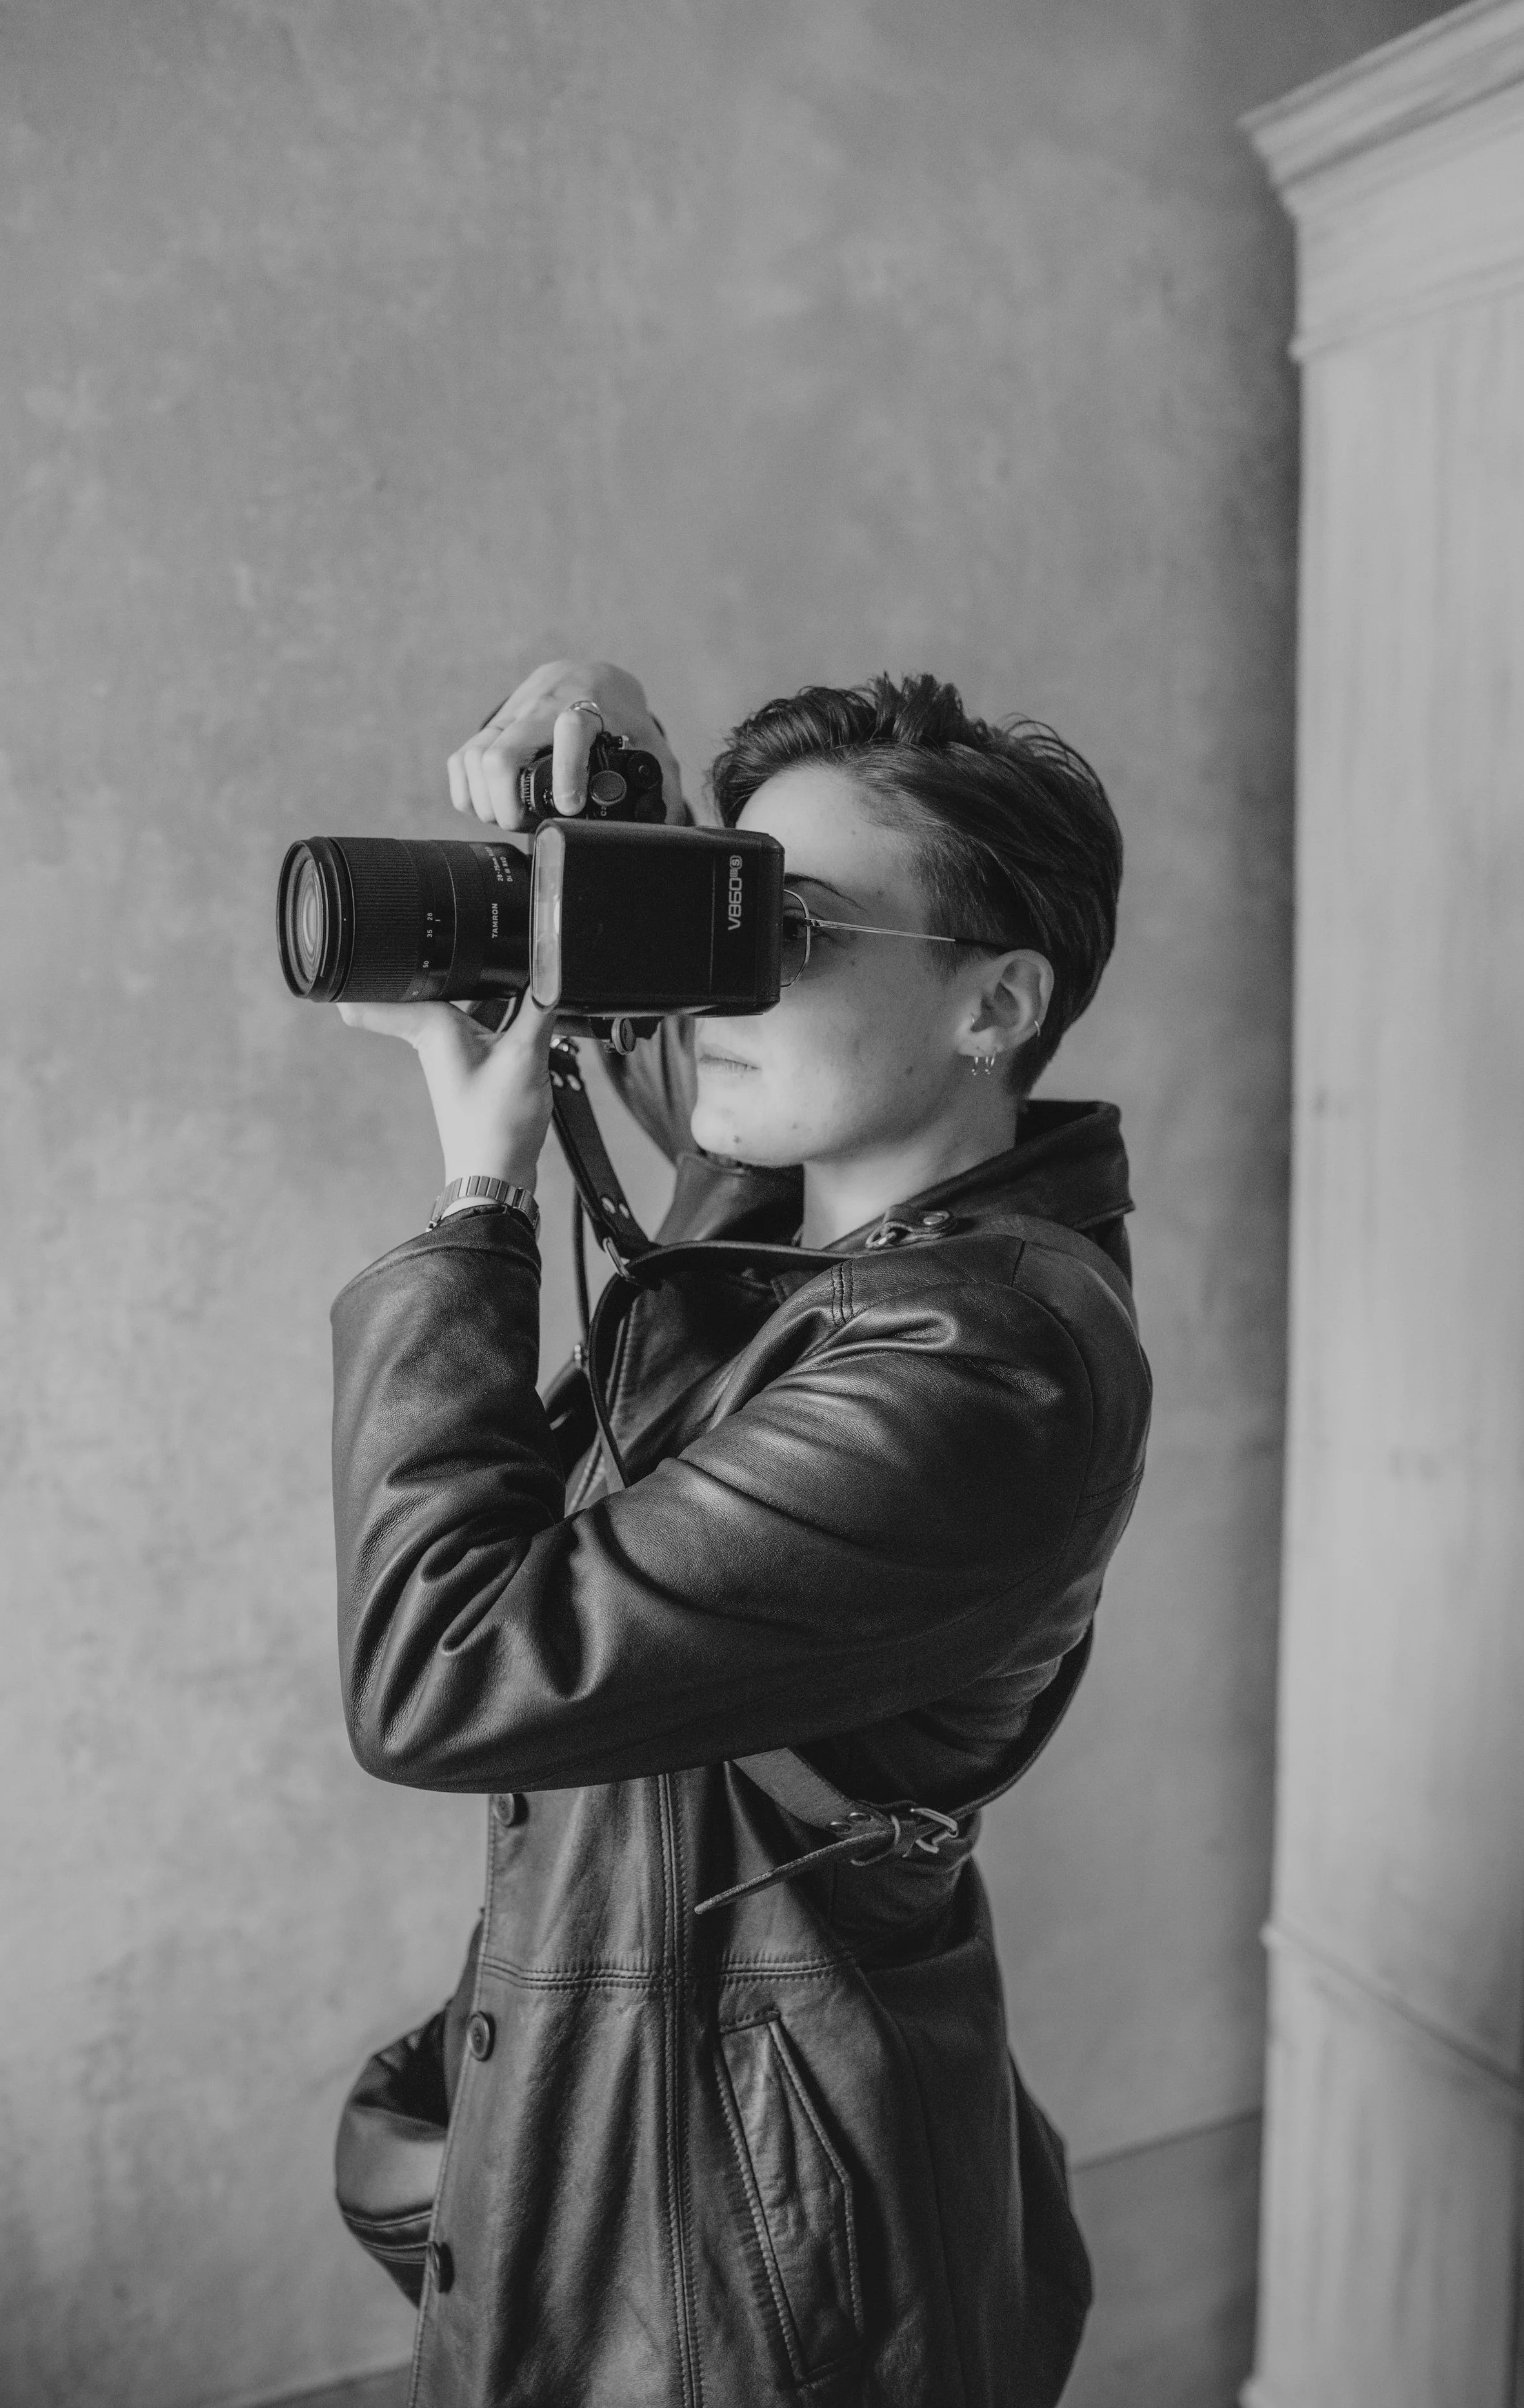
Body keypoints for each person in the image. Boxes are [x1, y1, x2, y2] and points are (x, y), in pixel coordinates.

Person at [329, 659, 1152, 2408]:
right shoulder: (792, 1213)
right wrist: (605, 729)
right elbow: (640, 1005)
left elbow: (442, 1672)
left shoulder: (984, 1365)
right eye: (729, 914)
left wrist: (478, 1206)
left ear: (995, 1002)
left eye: (795, 931)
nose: (720, 984)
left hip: (754, 2283)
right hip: (634, 2142)